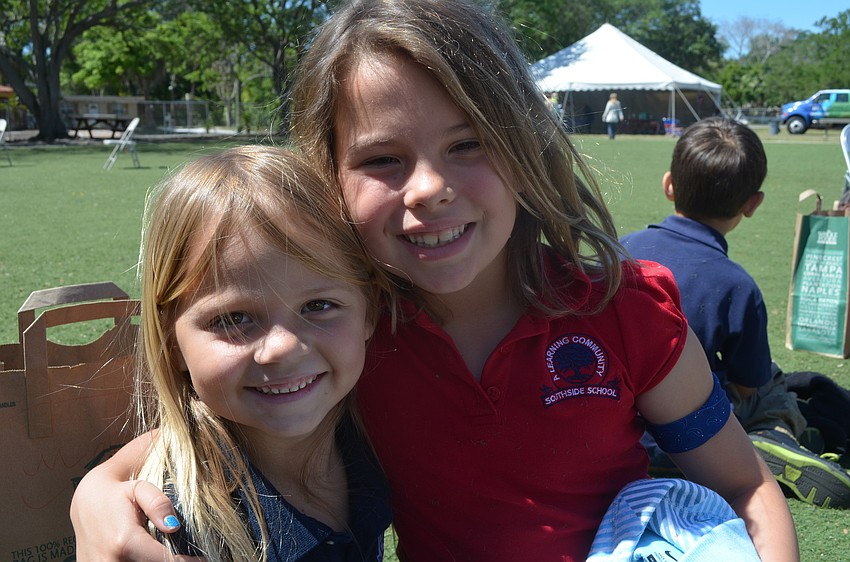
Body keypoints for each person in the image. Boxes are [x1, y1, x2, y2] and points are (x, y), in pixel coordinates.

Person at [70, 1, 799, 560]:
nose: (427, 188)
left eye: (467, 143)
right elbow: (191, 432)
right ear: (329, 178)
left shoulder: (624, 305)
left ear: (522, 146)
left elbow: (744, 483)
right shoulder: (341, 327)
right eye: (382, 159)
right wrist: (94, 494)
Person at [107, 145, 392, 559]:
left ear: (370, 311)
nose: (282, 348)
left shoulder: (369, 431)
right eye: (232, 318)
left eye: (319, 306)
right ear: (171, 342)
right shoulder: (172, 527)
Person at [621, 117, 850, 509]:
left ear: (669, 184)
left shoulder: (618, 250)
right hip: (692, 425)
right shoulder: (736, 285)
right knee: (773, 384)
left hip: (616, 418)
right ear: (752, 204)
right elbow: (747, 385)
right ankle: (771, 437)